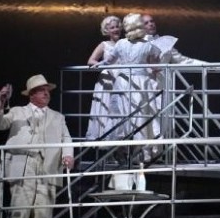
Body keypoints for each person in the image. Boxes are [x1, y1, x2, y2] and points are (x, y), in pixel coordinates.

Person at [0, 74, 74, 218]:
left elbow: (66, 138)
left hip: (47, 167)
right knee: (19, 214)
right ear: (31, 95)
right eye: (41, 90)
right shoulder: (18, 111)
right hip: (24, 165)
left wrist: (68, 155)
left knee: (43, 216)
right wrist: (1, 103)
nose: (46, 93)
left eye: (47, 90)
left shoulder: (58, 117)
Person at [99, 12, 163, 162]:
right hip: (141, 82)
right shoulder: (148, 45)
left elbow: (109, 61)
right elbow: (156, 65)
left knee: (123, 115)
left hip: (123, 82)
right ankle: (140, 153)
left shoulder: (121, 43)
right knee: (140, 116)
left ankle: (121, 152)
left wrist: (97, 65)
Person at [142, 12, 207, 149]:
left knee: (163, 120)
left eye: (152, 21)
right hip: (144, 85)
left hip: (163, 86)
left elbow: (183, 61)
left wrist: (205, 65)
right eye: (146, 23)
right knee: (145, 119)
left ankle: (158, 153)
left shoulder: (165, 43)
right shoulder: (138, 44)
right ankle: (143, 153)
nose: (151, 24)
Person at [85, 15, 122, 142]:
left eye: (117, 26)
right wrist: (104, 63)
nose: (116, 29)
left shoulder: (124, 43)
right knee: (106, 110)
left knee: (120, 110)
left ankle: (119, 145)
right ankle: (104, 143)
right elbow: (91, 61)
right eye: (112, 27)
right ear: (107, 30)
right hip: (108, 79)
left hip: (122, 79)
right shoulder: (104, 45)